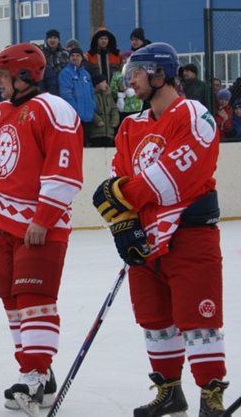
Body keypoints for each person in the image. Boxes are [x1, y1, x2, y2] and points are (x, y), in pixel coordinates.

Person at [91, 42, 229, 416]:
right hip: (146, 239)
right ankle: (169, 391)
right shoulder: (130, 126)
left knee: (199, 317)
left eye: (136, 73)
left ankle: (210, 394)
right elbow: (116, 177)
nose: (129, 80)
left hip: (190, 233)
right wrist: (124, 229)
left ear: (159, 74)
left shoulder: (195, 115)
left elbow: (171, 178)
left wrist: (121, 200)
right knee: (154, 319)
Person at [0, 43, 83, 414]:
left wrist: (43, 217)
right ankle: (39, 375)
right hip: (4, 224)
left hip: (40, 227)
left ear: (24, 76)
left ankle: (32, 374)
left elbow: (64, 171)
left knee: (36, 300)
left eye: (1, 75)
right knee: (13, 303)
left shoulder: (55, 110)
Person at [58, 47, 95, 145]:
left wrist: (93, 106)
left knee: (86, 142)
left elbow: (91, 92)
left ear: (81, 58)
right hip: (75, 116)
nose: (75, 58)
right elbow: (66, 94)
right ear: (69, 58)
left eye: (77, 55)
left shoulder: (86, 74)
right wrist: (74, 110)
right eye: (72, 56)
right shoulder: (65, 73)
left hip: (88, 115)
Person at [111, 52, 143, 126]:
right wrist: (119, 90)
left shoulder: (138, 73)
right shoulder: (118, 74)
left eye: (128, 58)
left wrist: (132, 90)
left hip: (136, 107)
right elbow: (112, 89)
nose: (126, 60)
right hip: (123, 108)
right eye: (124, 58)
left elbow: (143, 87)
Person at [90, 73, 119, 147]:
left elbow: (114, 109)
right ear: (96, 84)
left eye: (105, 82)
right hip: (96, 132)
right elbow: (89, 110)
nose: (105, 84)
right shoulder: (91, 96)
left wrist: (115, 120)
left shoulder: (108, 95)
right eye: (102, 82)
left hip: (109, 131)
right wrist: (98, 120)